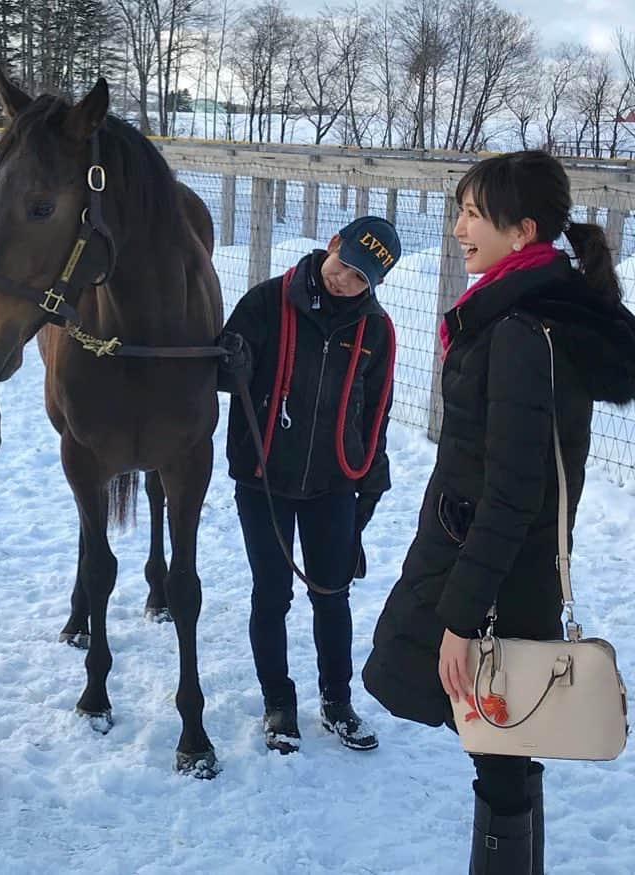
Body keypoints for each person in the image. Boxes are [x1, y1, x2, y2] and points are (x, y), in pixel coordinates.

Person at [362, 151, 635, 873]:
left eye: (473, 213)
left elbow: (513, 493)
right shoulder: (527, 311)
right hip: (507, 570)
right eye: (460, 210)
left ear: (523, 231)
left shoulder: (518, 329)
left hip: (494, 578)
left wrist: (458, 614)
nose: (457, 228)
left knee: (499, 744)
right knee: (501, 742)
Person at [218, 215, 400, 754]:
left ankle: (337, 700)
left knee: (332, 594)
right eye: (344, 266)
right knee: (271, 594)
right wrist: (231, 364)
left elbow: (377, 413)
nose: (346, 280)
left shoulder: (376, 331)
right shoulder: (266, 302)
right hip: (264, 482)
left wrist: (368, 486)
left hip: (332, 484)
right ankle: (279, 702)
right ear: (332, 245)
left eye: (361, 278)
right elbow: (221, 376)